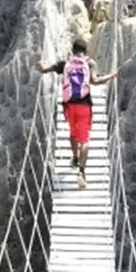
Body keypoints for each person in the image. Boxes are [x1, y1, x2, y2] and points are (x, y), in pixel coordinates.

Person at [36, 38, 118, 188]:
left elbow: (44, 70)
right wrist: (112, 76)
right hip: (84, 105)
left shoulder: (65, 63)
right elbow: (95, 81)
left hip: (69, 105)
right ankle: (81, 172)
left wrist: (40, 65)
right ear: (86, 51)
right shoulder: (90, 63)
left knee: (73, 133)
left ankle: (74, 158)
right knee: (84, 140)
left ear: (72, 51)